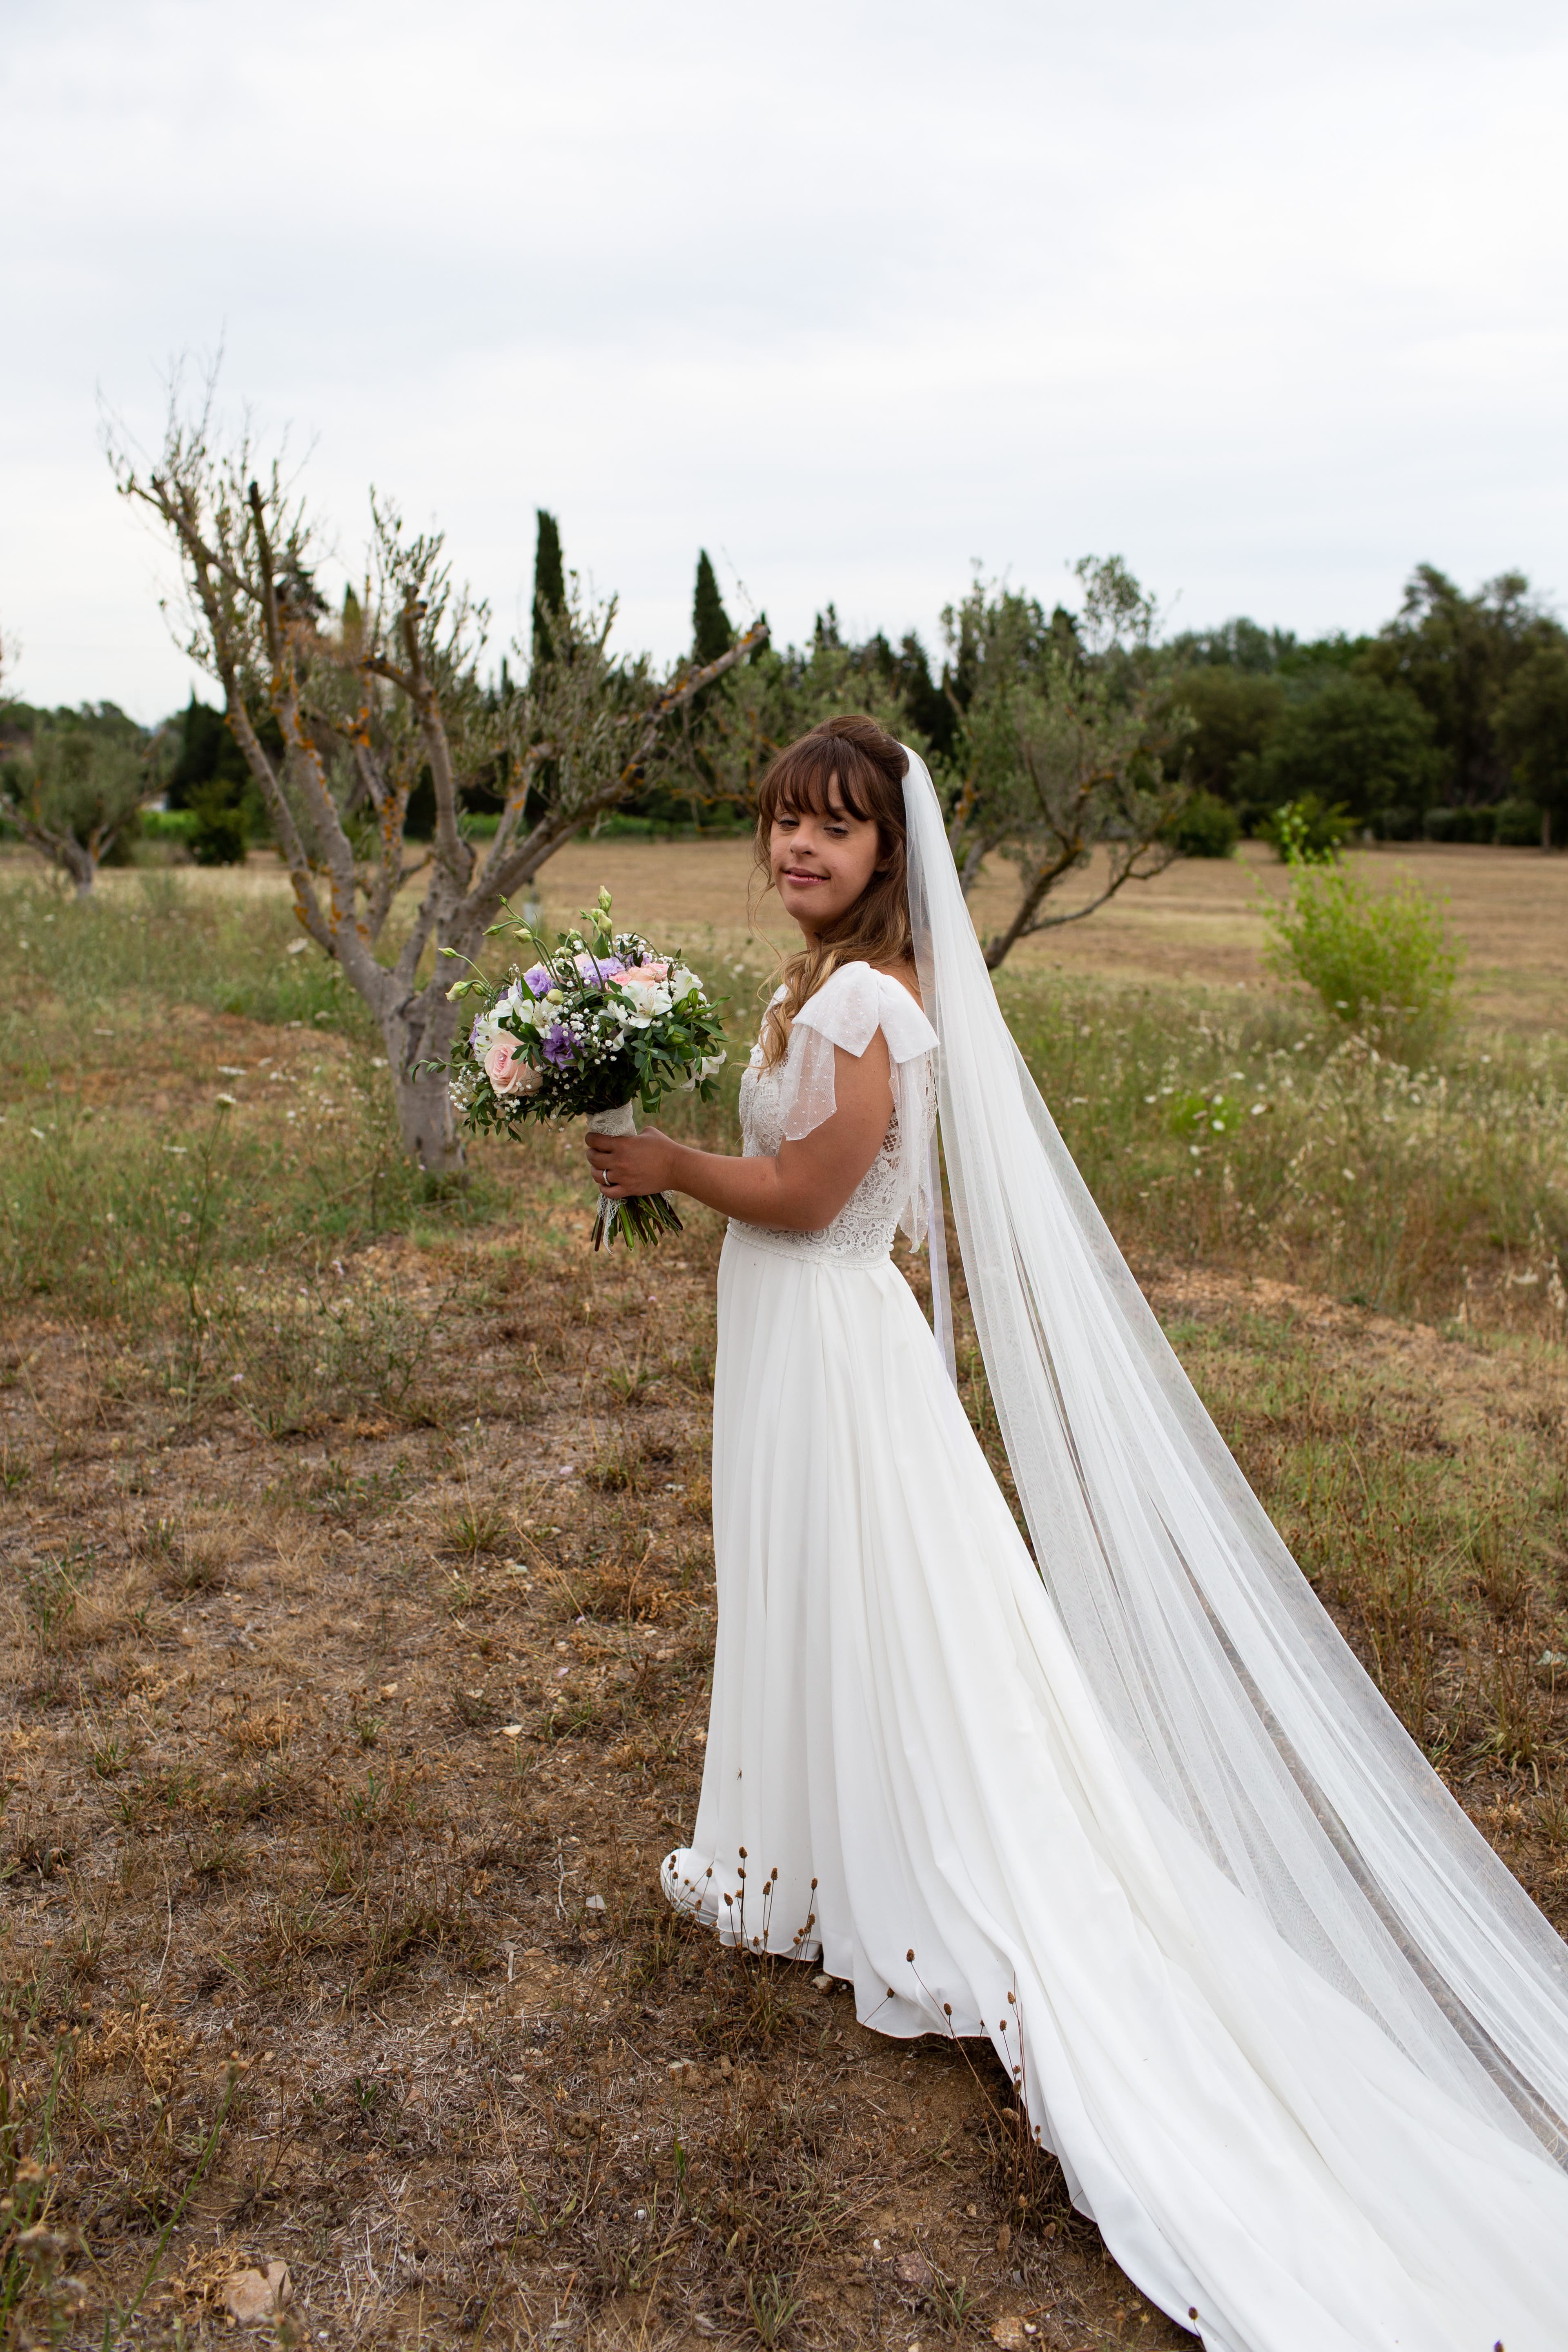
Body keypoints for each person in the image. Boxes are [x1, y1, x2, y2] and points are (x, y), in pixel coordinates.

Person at [586, 716, 1568, 2352]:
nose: (798, 853)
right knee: (821, 1596)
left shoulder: (869, 997)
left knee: (883, 1601)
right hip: (794, 1338)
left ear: (891, 854)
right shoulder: (814, 987)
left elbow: (822, 1195)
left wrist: (673, 1161)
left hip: (832, 1337)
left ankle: (906, 1862)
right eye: (780, 827)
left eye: (830, 831)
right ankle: (813, 1845)